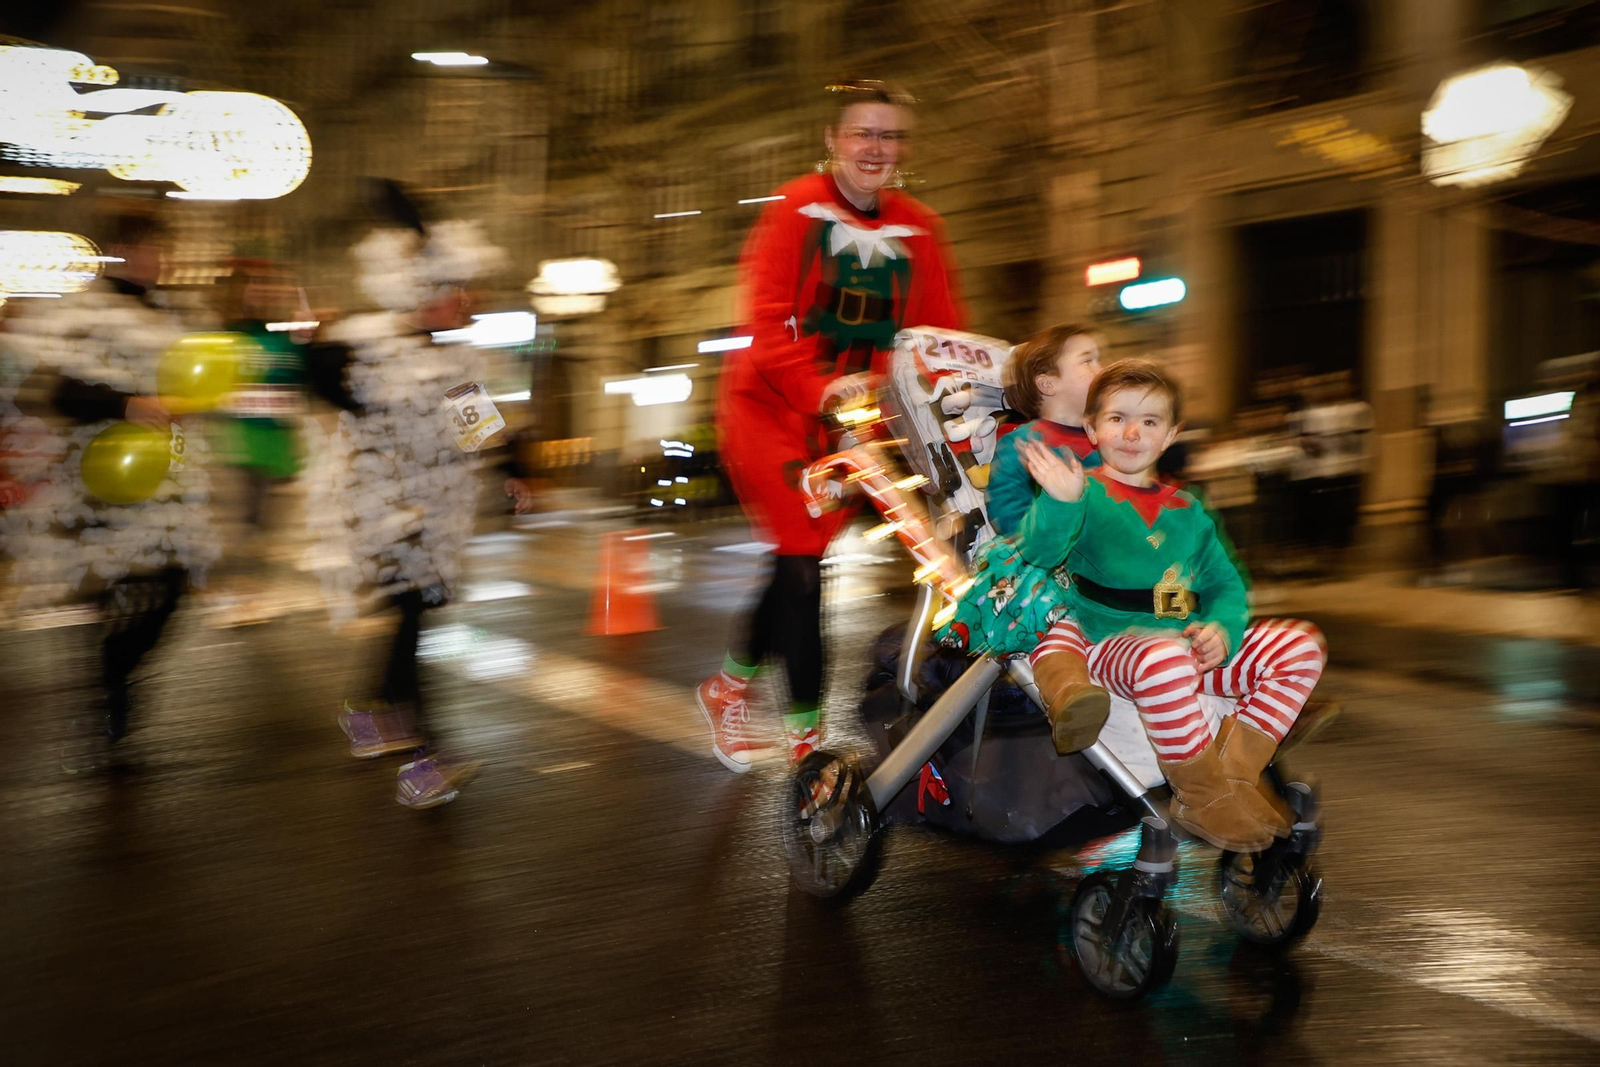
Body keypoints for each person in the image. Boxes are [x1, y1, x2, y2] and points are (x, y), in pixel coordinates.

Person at [697, 78, 967, 772]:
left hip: (852, 422)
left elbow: (939, 335)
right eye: (863, 133)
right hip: (769, 410)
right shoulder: (793, 211)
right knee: (800, 563)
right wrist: (821, 389)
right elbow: (762, 326)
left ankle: (726, 688)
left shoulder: (920, 228)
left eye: (890, 135)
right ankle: (807, 744)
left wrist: (959, 397)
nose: (876, 148)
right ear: (833, 141)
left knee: (796, 564)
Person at [951, 360, 1329, 851]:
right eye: (1116, 419)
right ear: (1091, 428)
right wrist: (1061, 500)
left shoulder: (1188, 508)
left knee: (1300, 645)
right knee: (1164, 657)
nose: (1132, 432)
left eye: (1149, 422)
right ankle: (1200, 795)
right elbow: (1042, 551)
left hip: (1187, 644)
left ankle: (1233, 780)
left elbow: (1225, 585)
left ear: (1170, 434)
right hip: (1109, 648)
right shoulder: (1082, 492)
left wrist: (1223, 628)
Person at [304, 181, 526, 809]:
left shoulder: (454, 359)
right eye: (454, 291)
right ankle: (429, 756)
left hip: (433, 516)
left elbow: (479, 426)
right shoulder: (367, 342)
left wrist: (514, 473)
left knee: (413, 617)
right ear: (423, 294)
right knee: (409, 619)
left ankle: (370, 713)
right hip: (382, 511)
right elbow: (315, 371)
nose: (467, 301)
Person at [0, 210, 221, 765]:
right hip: (97, 478)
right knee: (106, 590)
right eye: (150, 249)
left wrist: (187, 420)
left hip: (166, 480)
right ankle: (108, 684)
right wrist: (127, 403)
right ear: (121, 249)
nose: (159, 260)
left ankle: (115, 674)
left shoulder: (173, 314)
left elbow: (192, 385)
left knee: (173, 588)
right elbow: (56, 390)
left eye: (163, 249)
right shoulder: (83, 313)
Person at [979, 323, 1109, 753]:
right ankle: (1069, 692)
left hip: (1113, 566)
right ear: (1047, 382)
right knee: (1057, 617)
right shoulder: (1025, 443)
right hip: (1056, 567)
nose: (1101, 367)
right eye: (1087, 359)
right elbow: (1008, 513)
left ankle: (1240, 691)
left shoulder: (1109, 437)